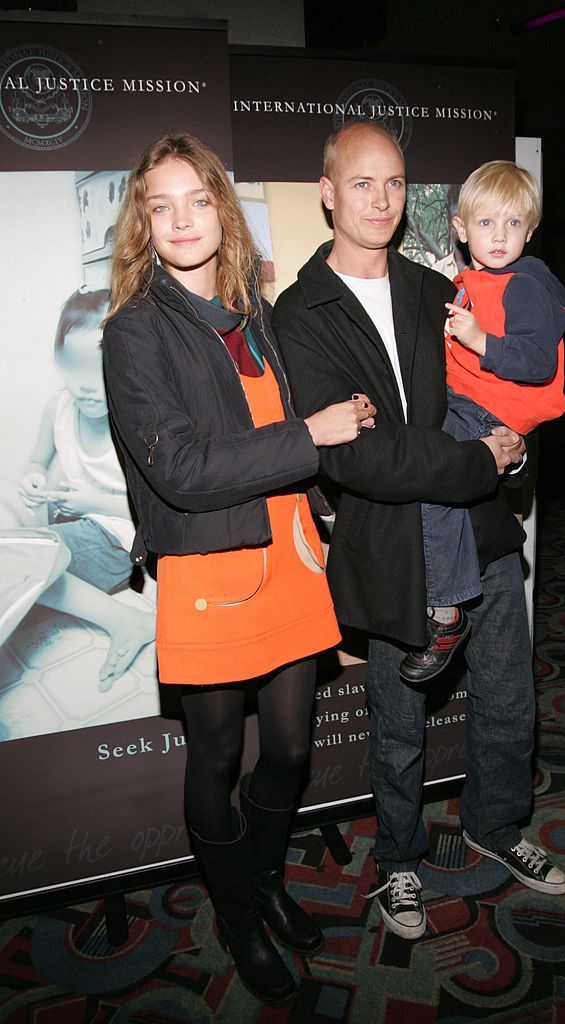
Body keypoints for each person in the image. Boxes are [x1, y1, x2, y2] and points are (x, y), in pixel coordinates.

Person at [273, 120, 565, 943]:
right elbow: (363, 459)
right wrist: (478, 457)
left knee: (510, 696)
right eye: (363, 182)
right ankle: (399, 859)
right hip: (391, 545)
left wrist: (507, 459)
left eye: (396, 183)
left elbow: (512, 390)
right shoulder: (300, 311)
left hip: (483, 525)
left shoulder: (440, 287)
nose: (381, 199)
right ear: (329, 192)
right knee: (399, 720)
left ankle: (497, 825)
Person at [102, 132, 376, 1005]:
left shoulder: (253, 315)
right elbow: (180, 470)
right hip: (211, 566)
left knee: (290, 750)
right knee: (217, 753)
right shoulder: (135, 332)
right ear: (144, 223)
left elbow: (283, 439)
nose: (183, 219)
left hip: (289, 552)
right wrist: (313, 433)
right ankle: (238, 917)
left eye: (197, 199)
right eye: (161, 204)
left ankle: (260, 881)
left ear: (222, 207)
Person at [400, 160, 565, 684]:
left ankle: (445, 613)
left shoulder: (525, 283)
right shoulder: (471, 279)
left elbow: (539, 362)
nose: (499, 237)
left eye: (513, 224)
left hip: (491, 410)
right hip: (467, 401)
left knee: (432, 476)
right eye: (487, 223)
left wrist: (480, 342)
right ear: (460, 226)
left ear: (531, 229)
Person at [16, 287, 154, 689]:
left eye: (101, 370)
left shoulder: (137, 421)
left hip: (124, 537)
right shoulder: (57, 409)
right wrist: (32, 477)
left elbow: (161, 508)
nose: (87, 386)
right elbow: (35, 462)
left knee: (27, 565)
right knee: (23, 557)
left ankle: (128, 620)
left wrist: (98, 501)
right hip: (84, 520)